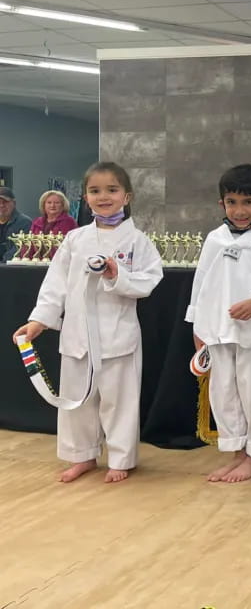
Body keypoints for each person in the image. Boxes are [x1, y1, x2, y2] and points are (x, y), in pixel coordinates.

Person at [11, 162, 163, 483]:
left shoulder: (137, 241)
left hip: (117, 336)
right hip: (77, 335)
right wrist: (39, 320)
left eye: (112, 190)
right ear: (84, 197)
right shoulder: (75, 239)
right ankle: (81, 456)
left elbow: (148, 281)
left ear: (127, 195)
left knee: (118, 402)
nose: (103, 196)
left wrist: (117, 275)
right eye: (95, 191)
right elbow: (56, 284)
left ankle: (122, 458)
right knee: (76, 403)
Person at [186, 164, 251, 483]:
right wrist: (197, 327)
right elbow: (201, 284)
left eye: (248, 202)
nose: (240, 210)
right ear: (222, 204)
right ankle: (237, 453)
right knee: (224, 393)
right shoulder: (214, 240)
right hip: (217, 329)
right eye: (232, 202)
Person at [27, 190, 78, 259]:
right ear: (43, 205)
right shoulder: (37, 222)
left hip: (60, 261)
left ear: (63, 205)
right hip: (37, 262)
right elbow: (30, 244)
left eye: (57, 203)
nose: (52, 205)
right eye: (49, 202)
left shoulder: (69, 222)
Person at [0, 186, 32, 262]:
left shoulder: (25, 223)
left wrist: (2, 264)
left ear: (14, 203)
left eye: (5, 202)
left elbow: (19, 249)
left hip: (11, 268)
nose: (1, 205)